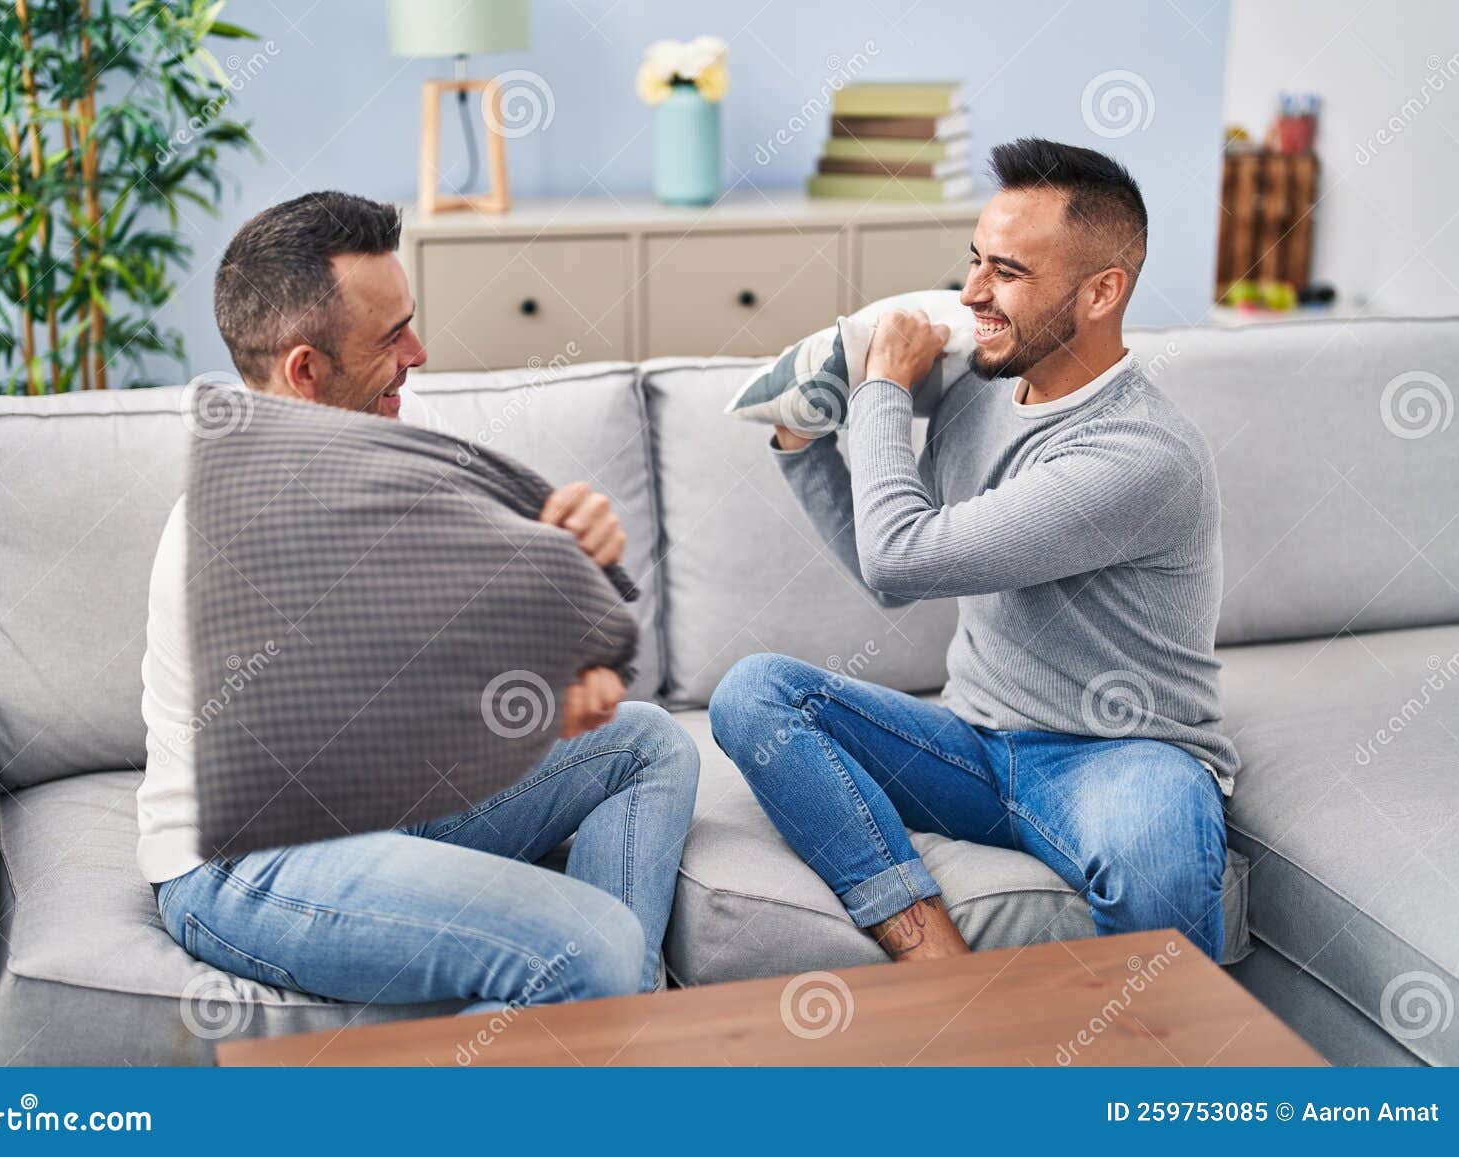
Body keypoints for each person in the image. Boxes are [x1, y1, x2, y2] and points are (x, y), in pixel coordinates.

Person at [141, 191, 699, 1011]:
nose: (420, 351)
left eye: (410, 320)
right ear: (306, 370)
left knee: (649, 741)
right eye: (391, 335)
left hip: (391, 806)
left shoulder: (389, 412)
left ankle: (602, 1015)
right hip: (251, 857)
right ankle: (610, 1007)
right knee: (596, 946)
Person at [710, 138, 1238, 963]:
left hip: (1119, 754)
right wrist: (803, 443)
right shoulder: (981, 382)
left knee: (1158, 863)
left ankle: (1155, 1074)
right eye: (975, 261)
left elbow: (901, 556)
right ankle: (934, 959)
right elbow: (893, 577)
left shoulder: (1139, 457)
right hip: (973, 745)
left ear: (1103, 291)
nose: (973, 294)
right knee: (755, 695)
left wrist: (881, 387)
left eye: (1010, 273)